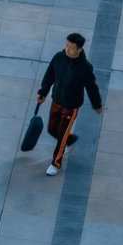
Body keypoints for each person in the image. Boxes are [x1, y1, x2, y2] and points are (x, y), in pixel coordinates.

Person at [36, 32, 103, 176]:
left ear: (79, 49)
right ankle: (69, 140)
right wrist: (43, 92)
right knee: (52, 129)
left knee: (61, 134)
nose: (67, 48)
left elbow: (91, 87)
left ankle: (56, 163)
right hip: (56, 100)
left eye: (71, 47)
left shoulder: (85, 67)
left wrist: (97, 104)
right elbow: (49, 76)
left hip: (71, 106)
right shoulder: (58, 57)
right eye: (66, 45)